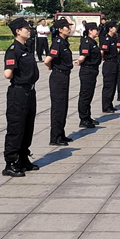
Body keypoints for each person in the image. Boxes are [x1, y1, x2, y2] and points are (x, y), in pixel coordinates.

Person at [2, 18, 40, 177]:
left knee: (28, 126)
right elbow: (7, 74)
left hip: (29, 92)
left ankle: (23, 158)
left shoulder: (26, 48)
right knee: (16, 127)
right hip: (18, 92)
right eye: (26, 28)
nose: (29, 30)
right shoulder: (13, 50)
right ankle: (10, 163)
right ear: (18, 31)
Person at [44, 18, 74, 146]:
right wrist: (53, 67)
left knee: (63, 106)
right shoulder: (57, 43)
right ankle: (55, 137)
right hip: (58, 77)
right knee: (58, 107)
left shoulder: (64, 42)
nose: (69, 29)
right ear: (60, 29)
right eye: (67, 27)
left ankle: (61, 134)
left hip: (64, 76)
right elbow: (47, 60)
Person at [75, 23, 101, 128]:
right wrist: (79, 61)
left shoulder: (92, 41)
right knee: (85, 95)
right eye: (96, 30)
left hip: (93, 70)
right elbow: (83, 55)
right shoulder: (86, 42)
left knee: (89, 95)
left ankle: (88, 117)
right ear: (90, 30)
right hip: (87, 71)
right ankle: (83, 119)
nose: (97, 32)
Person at [101, 21, 120, 113]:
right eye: (114, 27)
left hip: (114, 63)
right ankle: (106, 106)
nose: (116, 29)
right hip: (109, 64)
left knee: (113, 85)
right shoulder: (107, 39)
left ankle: (110, 104)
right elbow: (102, 51)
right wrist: (103, 59)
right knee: (108, 86)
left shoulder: (113, 39)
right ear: (110, 29)